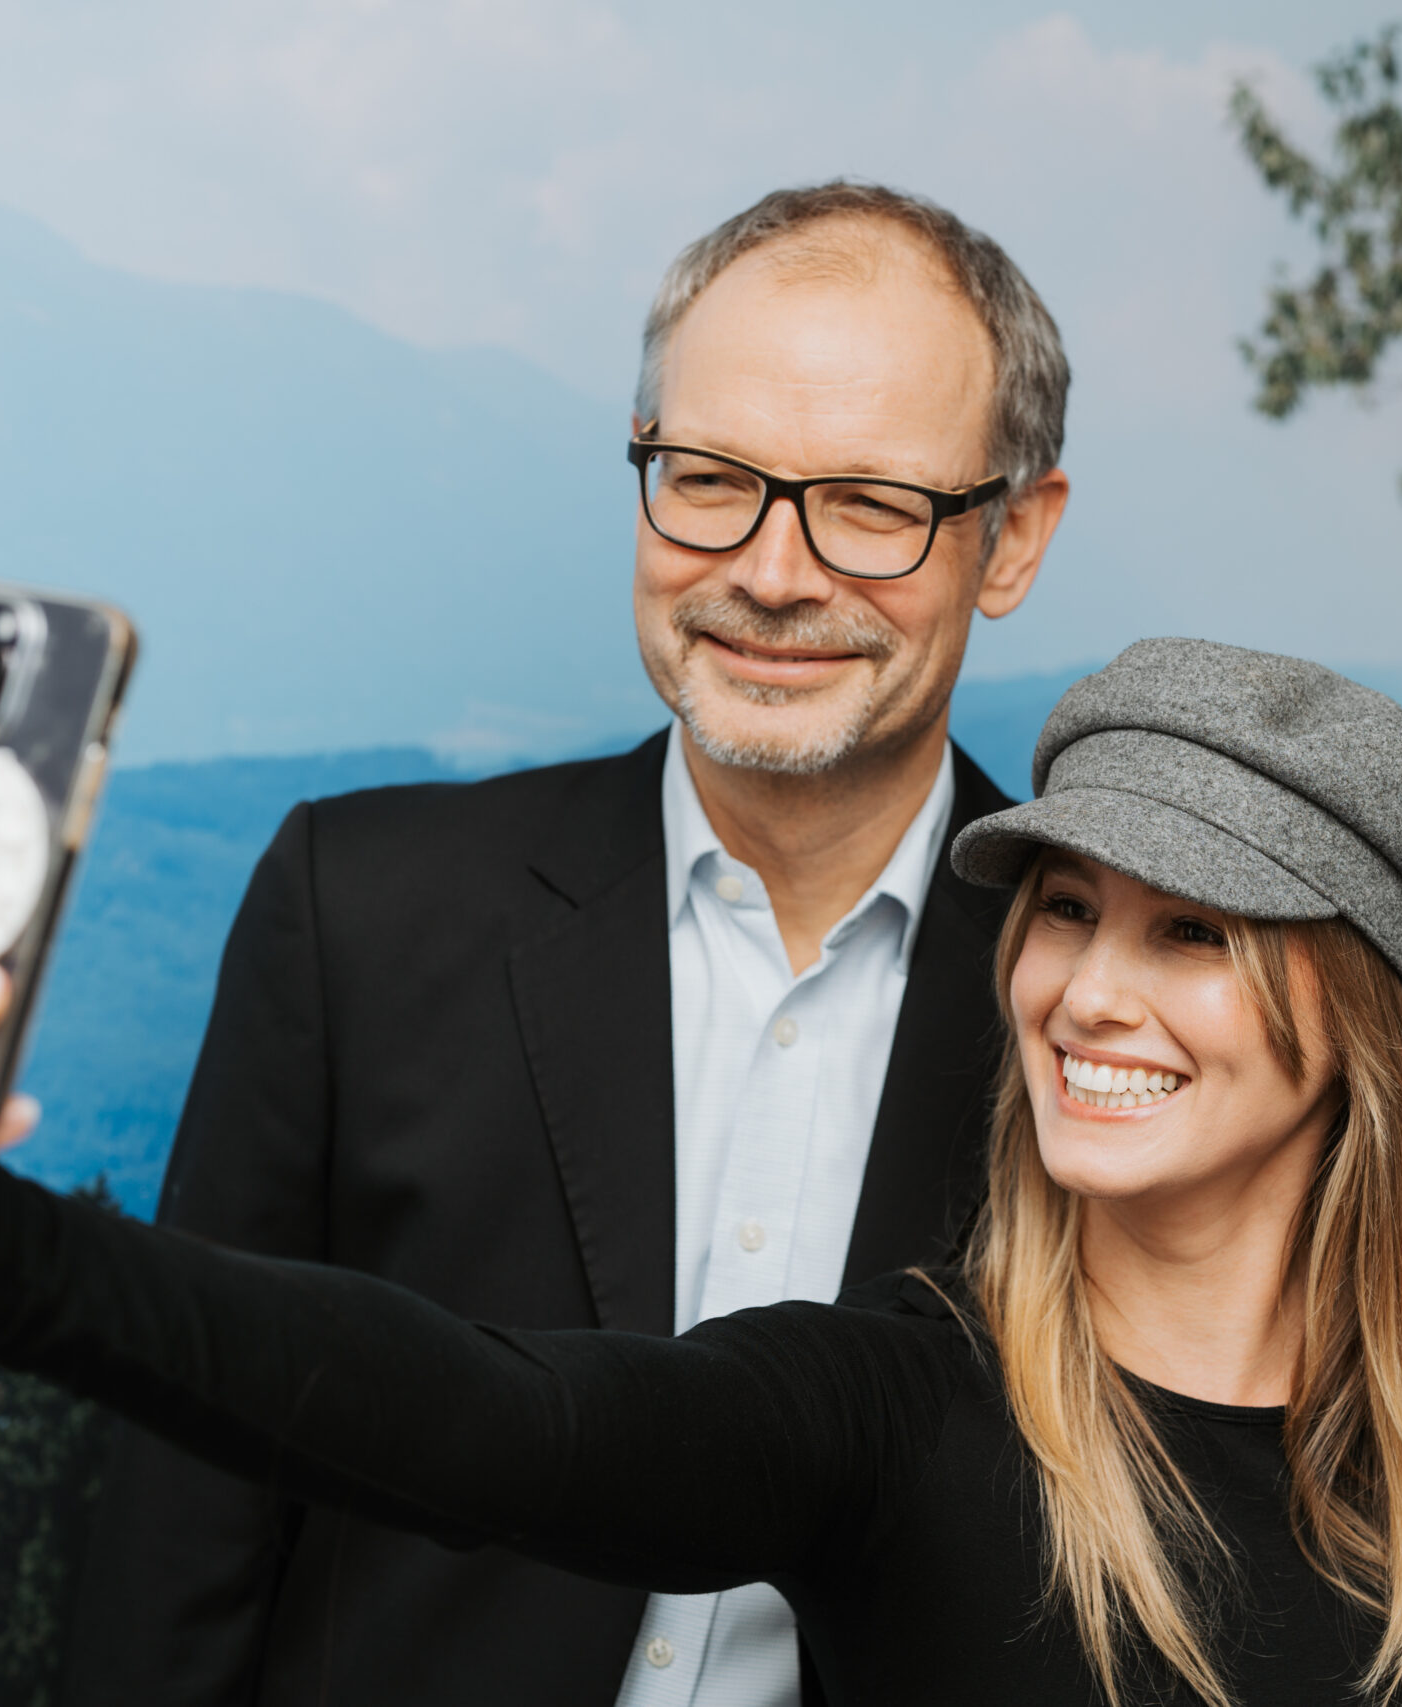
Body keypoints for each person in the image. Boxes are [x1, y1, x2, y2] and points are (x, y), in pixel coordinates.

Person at [0, 639, 1402, 1707]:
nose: (1078, 980)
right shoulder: (912, 1400)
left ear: (1340, 1026)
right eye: (1062, 902)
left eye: (1190, 932)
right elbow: (493, 1412)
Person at [80, 182, 1072, 1705]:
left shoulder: (1113, 1009)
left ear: (1010, 540)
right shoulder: (358, 910)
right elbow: (185, 1499)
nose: (771, 569)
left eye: (871, 502)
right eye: (708, 474)